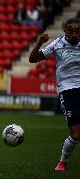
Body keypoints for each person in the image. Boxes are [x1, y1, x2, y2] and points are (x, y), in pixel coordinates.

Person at [29, 18, 80, 171]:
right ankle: (63, 161)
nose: (74, 33)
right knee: (76, 134)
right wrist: (39, 43)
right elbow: (32, 59)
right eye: (71, 30)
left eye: (77, 30)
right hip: (68, 91)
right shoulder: (57, 44)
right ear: (65, 30)